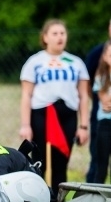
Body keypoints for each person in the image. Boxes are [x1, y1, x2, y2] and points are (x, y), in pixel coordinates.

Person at [19, 19, 90, 192]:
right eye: (55, 33)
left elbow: (83, 95)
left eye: (62, 33)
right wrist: (26, 125)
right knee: (39, 162)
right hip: (42, 114)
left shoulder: (75, 62)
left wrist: (84, 126)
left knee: (61, 163)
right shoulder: (35, 62)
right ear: (45, 37)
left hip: (67, 114)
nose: (60, 37)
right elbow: (26, 95)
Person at [84, 18, 111, 182]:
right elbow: (87, 82)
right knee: (98, 162)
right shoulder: (97, 53)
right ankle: (92, 197)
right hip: (102, 119)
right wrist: (100, 100)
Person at [90, 40, 111, 183]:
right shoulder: (101, 77)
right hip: (105, 124)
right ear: (104, 57)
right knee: (101, 165)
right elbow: (106, 103)